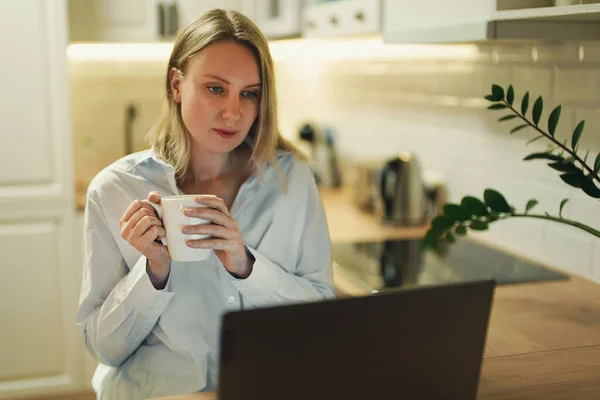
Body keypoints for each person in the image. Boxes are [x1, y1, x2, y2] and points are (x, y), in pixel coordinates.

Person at [76, 9, 337, 400]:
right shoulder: (115, 189)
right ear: (177, 85)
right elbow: (104, 349)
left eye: (249, 93)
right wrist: (152, 273)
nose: (233, 112)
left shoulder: (292, 181)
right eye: (216, 88)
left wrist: (245, 266)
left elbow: (323, 320)